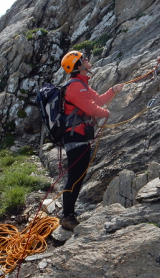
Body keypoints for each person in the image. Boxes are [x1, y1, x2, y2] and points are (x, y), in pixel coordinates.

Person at [59, 50, 123, 231]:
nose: (88, 60)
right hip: (76, 137)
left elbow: (99, 100)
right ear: (78, 66)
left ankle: (68, 214)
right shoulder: (76, 87)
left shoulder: (82, 84)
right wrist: (106, 114)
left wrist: (113, 90)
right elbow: (92, 108)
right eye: (84, 59)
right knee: (75, 177)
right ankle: (67, 217)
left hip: (78, 137)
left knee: (77, 176)